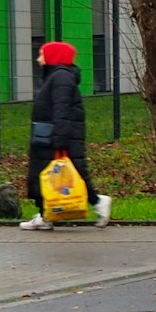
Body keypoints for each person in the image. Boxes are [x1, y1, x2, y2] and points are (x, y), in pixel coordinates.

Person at [21, 40, 112, 230]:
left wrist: (60, 139)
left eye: (42, 54)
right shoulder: (56, 76)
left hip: (57, 135)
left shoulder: (60, 77)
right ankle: (45, 215)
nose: (38, 59)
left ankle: (97, 201)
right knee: (48, 174)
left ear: (53, 57)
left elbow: (61, 109)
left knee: (71, 173)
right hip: (49, 135)